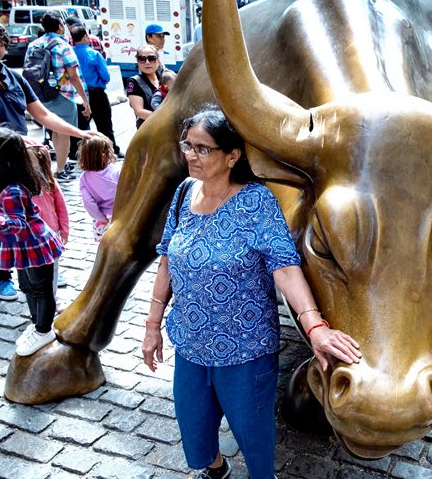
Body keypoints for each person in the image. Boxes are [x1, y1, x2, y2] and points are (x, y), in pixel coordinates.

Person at [141, 109, 361, 479]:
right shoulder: (183, 193)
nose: (191, 156)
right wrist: (152, 324)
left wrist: (314, 326)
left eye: (202, 149)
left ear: (232, 156)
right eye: (188, 146)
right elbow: (167, 258)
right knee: (195, 429)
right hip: (191, 344)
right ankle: (216, 469)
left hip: (245, 349)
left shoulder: (256, 202)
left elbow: (284, 265)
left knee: (254, 436)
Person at [0, 16, 91, 301]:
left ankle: (35, 265)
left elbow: (42, 114)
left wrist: (78, 131)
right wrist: (11, 140)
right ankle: (1, 276)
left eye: (0, 40)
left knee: (28, 213)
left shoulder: (12, 76)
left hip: (21, 158)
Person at [0, 126, 63, 356]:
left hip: (34, 245)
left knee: (41, 289)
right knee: (27, 287)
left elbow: (18, 223)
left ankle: (44, 331)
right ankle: (37, 325)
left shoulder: (12, 189)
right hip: (23, 247)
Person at [25, 12, 92, 181]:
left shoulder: (33, 44)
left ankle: (56, 166)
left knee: (53, 129)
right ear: (60, 27)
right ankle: (60, 171)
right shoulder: (63, 46)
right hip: (62, 94)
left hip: (40, 94)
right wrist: (84, 99)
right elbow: (74, 76)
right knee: (63, 132)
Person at [71, 25, 123, 158]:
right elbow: (105, 75)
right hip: (96, 93)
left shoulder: (70, 53)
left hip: (78, 95)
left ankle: (78, 154)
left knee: (80, 127)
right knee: (104, 125)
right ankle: (111, 151)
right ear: (85, 37)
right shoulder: (93, 54)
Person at [29, 143, 70, 298]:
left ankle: (52, 295)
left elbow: (61, 207)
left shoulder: (50, 182)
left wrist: (64, 230)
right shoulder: (20, 184)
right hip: (31, 235)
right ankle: (38, 293)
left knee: (53, 264)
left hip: (51, 233)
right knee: (34, 267)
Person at [78, 135, 121, 242]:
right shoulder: (117, 171)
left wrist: (100, 218)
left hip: (103, 218)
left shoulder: (84, 178)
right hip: (121, 215)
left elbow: (88, 202)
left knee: (105, 246)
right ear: (106, 153)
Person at [126, 45, 160, 128]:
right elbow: (139, 112)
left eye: (151, 58)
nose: (147, 62)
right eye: (142, 59)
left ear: (158, 60)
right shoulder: (134, 82)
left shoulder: (164, 77)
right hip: (148, 129)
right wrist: (165, 118)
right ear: (137, 62)